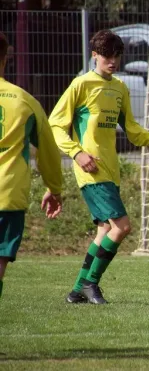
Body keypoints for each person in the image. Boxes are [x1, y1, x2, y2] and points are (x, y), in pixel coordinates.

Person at [49, 30, 149, 305]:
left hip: (110, 170)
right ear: (94, 55)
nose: (112, 61)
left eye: (116, 56)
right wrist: (77, 154)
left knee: (104, 230)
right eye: (106, 56)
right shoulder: (81, 85)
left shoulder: (119, 88)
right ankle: (92, 283)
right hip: (90, 170)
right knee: (122, 226)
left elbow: (130, 128)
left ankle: (78, 289)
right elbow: (55, 123)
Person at [0, 32, 63, 299]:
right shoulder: (24, 101)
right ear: (7, 55)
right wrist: (55, 187)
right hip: (7, 195)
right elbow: (47, 150)